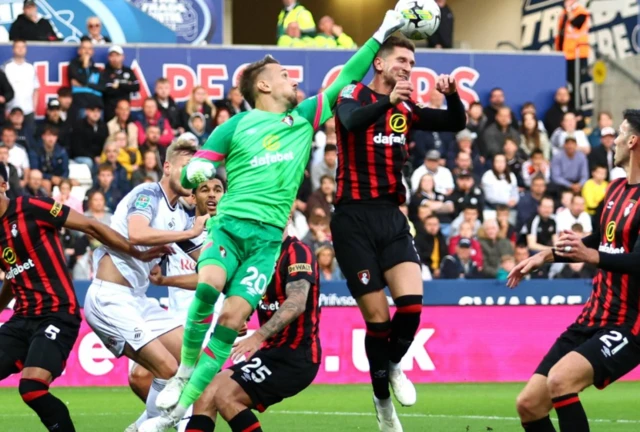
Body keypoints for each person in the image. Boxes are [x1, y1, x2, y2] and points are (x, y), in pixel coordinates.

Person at [140, 12, 408, 432]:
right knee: (208, 287)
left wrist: (382, 31)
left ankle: (180, 407)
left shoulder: (301, 120)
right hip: (229, 227)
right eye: (284, 74)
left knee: (231, 319)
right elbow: (201, 167)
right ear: (263, 85)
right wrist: (194, 173)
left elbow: (346, 77)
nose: (293, 79)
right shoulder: (234, 126)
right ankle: (182, 374)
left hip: (266, 243)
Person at [328, 33, 464, 430]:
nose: (408, 66)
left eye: (411, 61)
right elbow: (351, 122)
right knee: (379, 321)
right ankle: (381, 398)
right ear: (380, 63)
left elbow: (454, 122)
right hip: (352, 220)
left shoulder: (405, 107)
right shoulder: (351, 92)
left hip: (390, 216)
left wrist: (452, 96)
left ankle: (392, 366)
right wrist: (386, 102)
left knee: (411, 307)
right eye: (401, 59)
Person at [0, 161, 167, 432]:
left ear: (3, 184)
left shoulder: (30, 207)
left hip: (57, 313)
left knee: (31, 388)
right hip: (22, 318)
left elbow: (90, 225)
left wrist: (134, 251)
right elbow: (12, 273)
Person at [509, 109, 640, 432]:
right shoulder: (615, 190)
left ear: (634, 141)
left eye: (620, 134)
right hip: (592, 317)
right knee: (529, 405)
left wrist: (591, 255)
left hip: (629, 323)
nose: (613, 142)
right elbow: (599, 240)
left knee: (561, 381)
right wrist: (548, 256)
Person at [83, 141, 207, 431]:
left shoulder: (181, 215)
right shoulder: (147, 193)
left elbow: (206, 264)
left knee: (195, 359)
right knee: (166, 369)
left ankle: (141, 427)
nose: (191, 176)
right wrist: (189, 231)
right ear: (167, 167)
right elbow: (137, 232)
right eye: (185, 168)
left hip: (137, 300)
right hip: (109, 298)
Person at [181, 231, 321, 432]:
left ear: (286, 215)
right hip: (271, 352)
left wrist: (257, 336)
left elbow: (297, 302)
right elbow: (226, 284)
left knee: (226, 396)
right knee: (206, 392)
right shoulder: (257, 254)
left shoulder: (297, 252)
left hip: (296, 356)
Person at [127, 177, 225, 431]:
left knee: (192, 388)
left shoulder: (226, 233)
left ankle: (151, 426)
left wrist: (167, 280)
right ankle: (150, 423)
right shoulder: (178, 230)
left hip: (207, 323)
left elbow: (211, 279)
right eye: (205, 190)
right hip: (173, 320)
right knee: (138, 377)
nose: (212, 195)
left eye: (218, 190)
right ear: (193, 197)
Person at [555, 0, 590, 109]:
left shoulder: (581, 12)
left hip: (578, 55)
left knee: (576, 83)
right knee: (566, 84)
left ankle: (576, 109)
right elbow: (561, 33)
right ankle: (568, 108)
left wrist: (570, 10)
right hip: (565, 55)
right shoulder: (563, 14)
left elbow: (576, 23)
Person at [3, 39, 38, 131]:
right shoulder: (6, 67)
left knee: (29, 140)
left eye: (23, 47)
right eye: (18, 47)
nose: (20, 49)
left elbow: (36, 89)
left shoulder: (30, 67)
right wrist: (5, 109)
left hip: (28, 111)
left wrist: (33, 108)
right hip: (10, 110)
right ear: (13, 49)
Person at [68, 37, 104, 120]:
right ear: (79, 51)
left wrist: (86, 85)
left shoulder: (96, 69)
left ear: (92, 52)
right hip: (81, 106)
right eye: (84, 48)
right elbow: (83, 79)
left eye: (89, 48)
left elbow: (103, 87)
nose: (87, 51)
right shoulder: (73, 65)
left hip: (97, 107)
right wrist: (85, 65)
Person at [102, 45, 140, 121]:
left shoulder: (128, 71)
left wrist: (119, 85)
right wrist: (127, 86)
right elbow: (108, 90)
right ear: (108, 58)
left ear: (123, 57)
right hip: (110, 111)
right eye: (112, 56)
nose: (115, 58)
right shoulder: (105, 72)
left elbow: (136, 87)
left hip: (125, 112)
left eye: (117, 55)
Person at [67, 102, 109, 169]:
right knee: (88, 162)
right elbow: (77, 148)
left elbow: (106, 143)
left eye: (98, 111)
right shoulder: (79, 126)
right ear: (87, 112)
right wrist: (93, 157)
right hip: (81, 156)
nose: (95, 114)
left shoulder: (103, 126)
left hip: (99, 157)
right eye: (93, 111)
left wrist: (103, 156)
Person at [28, 126, 68, 194]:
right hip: (41, 178)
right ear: (43, 136)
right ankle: (49, 204)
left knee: (71, 183)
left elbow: (65, 170)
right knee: (47, 184)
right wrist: (51, 178)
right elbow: (35, 169)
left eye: (54, 136)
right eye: (49, 135)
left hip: (58, 178)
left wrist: (62, 179)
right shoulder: (35, 151)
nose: (51, 138)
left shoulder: (61, 151)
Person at [415, 215, 447, 279]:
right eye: (429, 224)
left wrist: (439, 269)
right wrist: (433, 270)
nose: (432, 227)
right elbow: (420, 257)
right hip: (424, 269)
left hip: (440, 269)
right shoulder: (419, 239)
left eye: (435, 225)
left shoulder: (441, 239)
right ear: (424, 226)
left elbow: (445, 256)